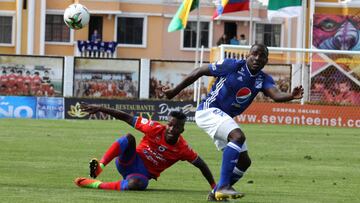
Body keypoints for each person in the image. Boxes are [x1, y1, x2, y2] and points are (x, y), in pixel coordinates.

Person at [163, 44, 304, 201]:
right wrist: (175, 91)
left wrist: (291, 95)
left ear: (266, 60)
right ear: (247, 55)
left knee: (244, 162)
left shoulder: (262, 79)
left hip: (223, 117)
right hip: (208, 110)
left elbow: (276, 95)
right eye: (254, 54)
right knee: (238, 137)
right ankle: (223, 186)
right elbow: (200, 71)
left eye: (262, 56)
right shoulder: (232, 66)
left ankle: (215, 193)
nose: (257, 58)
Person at [74, 103, 216, 197]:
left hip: (141, 174)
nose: (172, 129)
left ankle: (94, 184)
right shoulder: (154, 128)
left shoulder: (183, 149)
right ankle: (100, 166)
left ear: (182, 130)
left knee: (137, 185)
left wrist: (215, 187)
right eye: (170, 125)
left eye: (176, 127)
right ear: (167, 124)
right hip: (130, 160)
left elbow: (201, 165)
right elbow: (126, 117)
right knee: (129, 138)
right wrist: (101, 108)